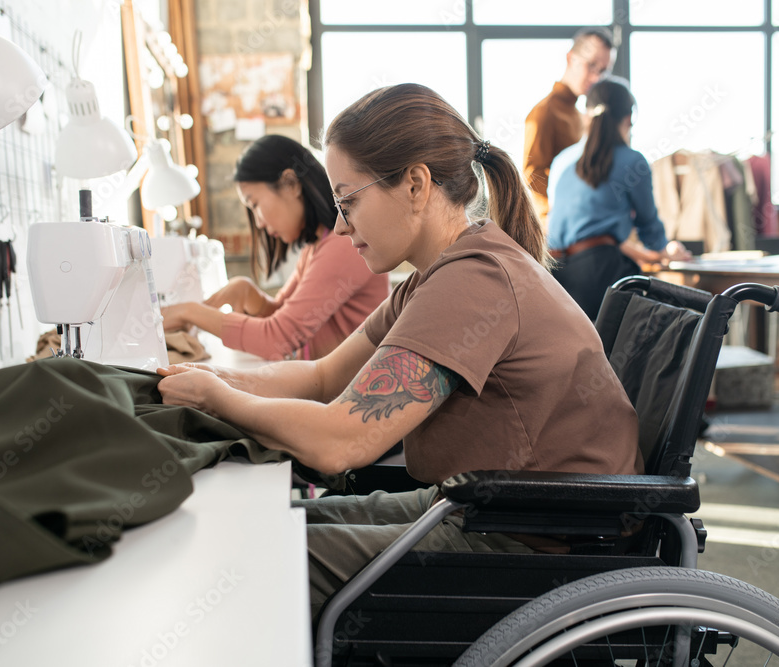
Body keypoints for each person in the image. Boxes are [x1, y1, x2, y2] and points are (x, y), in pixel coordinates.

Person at [156, 83, 642, 619]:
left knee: (245, 554)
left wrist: (214, 396)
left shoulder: (473, 282)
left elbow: (343, 442)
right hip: (482, 506)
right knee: (269, 521)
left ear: (415, 184)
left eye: (349, 201)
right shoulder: (437, 275)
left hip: (531, 544)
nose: (340, 225)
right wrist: (203, 384)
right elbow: (321, 378)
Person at [160, 134, 390, 360]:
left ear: (291, 183)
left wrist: (189, 311)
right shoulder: (317, 246)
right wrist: (248, 293)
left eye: (255, 204)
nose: (258, 222)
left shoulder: (344, 246)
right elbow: (285, 318)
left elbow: (277, 340)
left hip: (349, 391)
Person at [546, 77, 690, 321]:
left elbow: (580, 227)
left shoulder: (561, 161)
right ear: (627, 120)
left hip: (555, 278)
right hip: (600, 275)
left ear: (585, 116)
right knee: (673, 317)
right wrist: (666, 249)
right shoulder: (632, 161)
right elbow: (648, 224)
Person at [523, 27, 614, 224]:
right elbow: (532, 176)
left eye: (603, 71)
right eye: (591, 66)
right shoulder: (543, 112)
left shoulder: (582, 117)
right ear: (570, 58)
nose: (596, 78)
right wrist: (557, 219)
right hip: (559, 231)